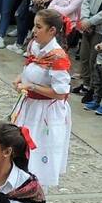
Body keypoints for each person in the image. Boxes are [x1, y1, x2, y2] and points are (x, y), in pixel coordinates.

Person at [10, 10, 72, 188]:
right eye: (34, 26)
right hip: (29, 105)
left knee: (38, 151)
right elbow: (29, 67)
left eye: (39, 27)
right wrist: (20, 78)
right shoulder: (34, 46)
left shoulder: (57, 57)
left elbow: (61, 93)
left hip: (45, 111)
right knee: (20, 145)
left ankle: (35, 190)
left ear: (52, 30)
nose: (34, 30)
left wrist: (32, 87)